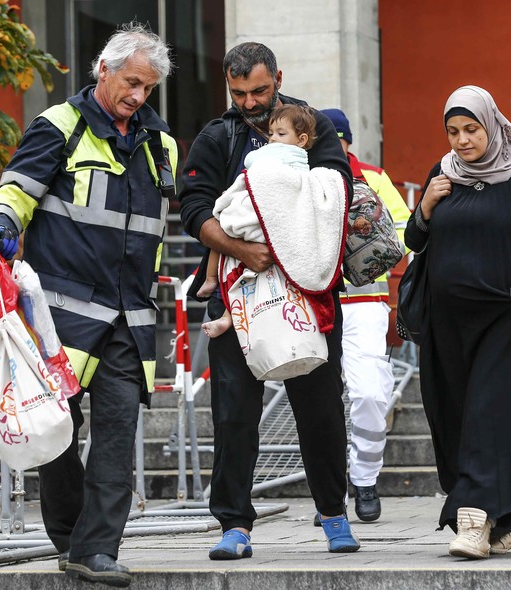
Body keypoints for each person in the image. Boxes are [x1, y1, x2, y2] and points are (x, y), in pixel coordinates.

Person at [0, 23, 177, 587]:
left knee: (117, 434)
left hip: (128, 319)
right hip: (59, 317)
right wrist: (2, 224)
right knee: (55, 435)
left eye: (147, 87)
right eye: (131, 82)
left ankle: (96, 551)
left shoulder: (159, 144)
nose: (138, 95)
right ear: (103, 71)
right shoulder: (59, 127)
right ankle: (69, 538)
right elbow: (16, 188)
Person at [178, 42, 360, 558]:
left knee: (320, 409)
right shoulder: (216, 135)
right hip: (237, 290)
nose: (251, 102)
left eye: (260, 90)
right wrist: (240, 248)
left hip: (307, 290)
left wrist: (284, 243)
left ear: (278, 76)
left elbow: (334, 190)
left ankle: (332, 514)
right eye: (239, 93)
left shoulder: (313, 124)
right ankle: (234, 525)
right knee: (234, 413)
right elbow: (193, 206)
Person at [403, 85, 511, 559]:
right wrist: (425, 207)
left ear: (492, 124)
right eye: (453, 131)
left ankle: (474, 519)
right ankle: (504, 517)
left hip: (506, 320)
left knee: (489, 415)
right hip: (447, 326)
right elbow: (414, 241)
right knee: (456, 417)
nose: (461, 140)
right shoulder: (444, 173)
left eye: (471, 129)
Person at [321, 108, 411, 522]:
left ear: (348, 141)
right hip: (314, 307)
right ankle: (330, 495)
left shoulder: (373, 177)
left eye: (337, 140)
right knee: (320, 406)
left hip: (364, 305)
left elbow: (408, 232)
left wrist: (369, 240)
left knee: (371, 393)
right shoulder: (303, 180)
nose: (331, 148)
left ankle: (365, 478)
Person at [197, 104, 319, 339]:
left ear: (301, 139)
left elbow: (252, 161)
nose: (273, 139)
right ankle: (227, 316)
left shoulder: (278, 153)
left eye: (281, 134)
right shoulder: (303, 161)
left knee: (223, 230)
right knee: (247, 276)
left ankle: (212, 281)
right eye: (271, 133)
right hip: (277, 223)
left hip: (261, 216)